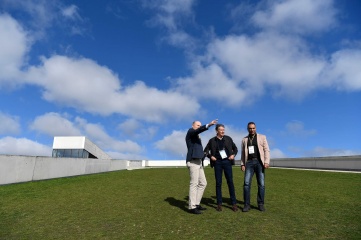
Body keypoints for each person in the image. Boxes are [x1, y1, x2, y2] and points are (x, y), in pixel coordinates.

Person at [186, 119, 218, 214]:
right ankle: (192, 207)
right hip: (193, 161)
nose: (199, 127)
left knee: (203, 183)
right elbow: (197, 131)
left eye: (200, 125)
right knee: (194, 183)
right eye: (197, 125)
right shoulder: (190, 132)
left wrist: (204, 154)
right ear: (193, 126)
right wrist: (209, 125)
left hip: (199, 162)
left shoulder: (197, 137)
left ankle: (196, 203)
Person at [204, 124, 238, 212]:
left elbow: (236, 149)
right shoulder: (212, 140)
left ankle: (234, 203)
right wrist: (210, 156)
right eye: (221, 130)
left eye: (223, 130)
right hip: (217, 163)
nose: (223, 131)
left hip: (227, 162)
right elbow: (205, 150)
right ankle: (219, 204)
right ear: (217, 131)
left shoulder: (228, 139)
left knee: (230, 182)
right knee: (218, 183)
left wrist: (233, 155)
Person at [241, 122, 270, 212]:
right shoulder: (244, 139)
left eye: (253, 128)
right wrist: (242, 164)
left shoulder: (262, 137)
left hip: (259, 162)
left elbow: (266, 150)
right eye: (250, 128)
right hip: (249, 163)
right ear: (247, 129)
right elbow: (243, 153)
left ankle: (260, 204)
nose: (252, 130)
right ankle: (246, 205)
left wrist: (266, 162)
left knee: (261, 184)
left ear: (256, 128)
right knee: (246, 184)